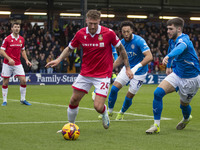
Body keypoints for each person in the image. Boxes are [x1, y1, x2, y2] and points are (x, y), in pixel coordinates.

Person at [46, 9, 133, 129]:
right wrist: (59, 59)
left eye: (95, 23)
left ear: (99, 21)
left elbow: (121, 49)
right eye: (90, 23)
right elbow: (70, 48)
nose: (92, 26)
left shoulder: (109, 33)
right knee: (74, 100)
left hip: (103, 75)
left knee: (97, 107)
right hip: (86, 73)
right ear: (86, 21)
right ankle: (71, 126)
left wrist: (127, 68)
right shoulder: (80, 33)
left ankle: (104, 112)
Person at [146, 17, 200, 134]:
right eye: (167, 29)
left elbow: (179, 49)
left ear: (179, 29)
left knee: (184, 105)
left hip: (191, 79)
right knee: (158, 93)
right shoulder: (172, 40)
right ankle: (156, 125)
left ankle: (186, 118)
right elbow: (172, 50)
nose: (168, 31)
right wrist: (169, 66)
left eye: (171, 29)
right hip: (177, 73)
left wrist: (168, 56)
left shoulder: (184, 40)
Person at [102, 21, 153, 120]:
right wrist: (109, 69)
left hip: (139, 72)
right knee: (113, 89)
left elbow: (149, 56)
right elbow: (121, 58)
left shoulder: (139, 41)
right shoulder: (122, 43)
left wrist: (135, 68)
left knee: (129, 95)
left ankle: (121, 112)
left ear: (132, 31)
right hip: (127, 69)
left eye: (128, 31)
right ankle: (110, 111)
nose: (126, 34)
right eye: (124, 31)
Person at [0, 22, 32, 106]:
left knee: (23, 81)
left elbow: (23, 50)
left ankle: (23, 99)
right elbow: (1, 51)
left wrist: (26, 60)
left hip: (17, 63)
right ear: (12, 29)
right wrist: (9, 59)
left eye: (18, 27)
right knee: (5, 82)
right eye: (15, 27)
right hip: (7, 63)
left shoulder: (22, 39)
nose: (17, 28)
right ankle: (5, 101)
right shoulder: (7, 39)